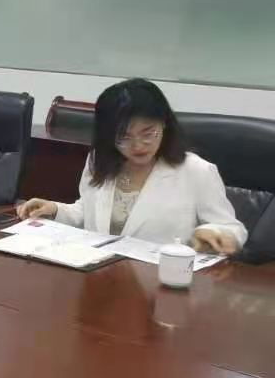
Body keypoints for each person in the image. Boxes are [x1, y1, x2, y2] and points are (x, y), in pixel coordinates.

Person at [17, 78, 246, 253]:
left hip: (161, 282)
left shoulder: (196, 171)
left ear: (164, 124)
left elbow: (232, 228)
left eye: (148, 134)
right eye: (123, 137)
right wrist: (55, 210)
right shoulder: (100, 159)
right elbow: (86, 211)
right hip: (99, 276)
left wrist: (214, 233)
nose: (137, 146)